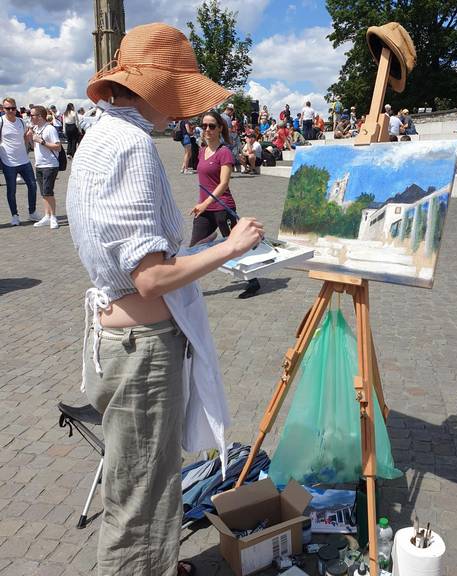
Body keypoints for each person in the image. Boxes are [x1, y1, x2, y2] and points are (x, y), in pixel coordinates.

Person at [66, 23, 264, 576]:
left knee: (143, 480)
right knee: (141, 493)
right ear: (153, 87)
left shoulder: (98, 135)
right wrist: (230, 247)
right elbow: (151, 277)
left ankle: (157, 563)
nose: (180, 109)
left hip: (119, 338)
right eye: (177, 92)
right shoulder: (130, 144)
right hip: (140, 346)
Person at [191, 110, 261, 297]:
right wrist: (202, 205)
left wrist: (205, 203)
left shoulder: (224, 152)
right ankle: (185, 288)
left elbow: (223, 184)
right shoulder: (202, 151)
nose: (207, 129)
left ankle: (253, 281)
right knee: (193, 249)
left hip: (223, 208)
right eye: (204, 126)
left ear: (220, 128)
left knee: (236, 248)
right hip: (204, 209)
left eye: (211, 126)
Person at [0, 97, 40, 226]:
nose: (11, 111)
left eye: (13, 108)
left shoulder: (21, 122)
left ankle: (32, 211)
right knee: (11, 190)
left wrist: (29, 137)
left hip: (24, 160)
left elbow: (25, 139)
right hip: (8, 162)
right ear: (3, 109)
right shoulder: (1, 122)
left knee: (33, 185)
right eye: (8, 108)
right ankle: (14, 215)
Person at [29, 105, 62, 228]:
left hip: (50, 164)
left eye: (32, 115)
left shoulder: (50, 129)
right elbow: (34, 147)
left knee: (48, 192)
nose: (30, 117)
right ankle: (47, 216)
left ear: (40, 116)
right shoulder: (36, 128)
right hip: (39, 164)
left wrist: (41, 141)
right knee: (44, 192)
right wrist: (31, 138)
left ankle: (53, 217)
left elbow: (58, 147)